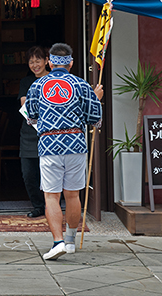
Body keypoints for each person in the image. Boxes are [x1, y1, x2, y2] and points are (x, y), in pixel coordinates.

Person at [25, 43, 103, 260]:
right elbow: (94, 118)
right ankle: (69, 240)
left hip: (49, 145)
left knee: (51, 195)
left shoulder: (38, 85)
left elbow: (31, 116)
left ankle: (57, 241)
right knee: (73, 194)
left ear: (49, 62)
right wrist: (95, 98)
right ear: (70, 62)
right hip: (76, 144)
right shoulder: (82, 85)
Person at [18, 46, 48, 218]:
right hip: (29, 133)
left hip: (49, 133)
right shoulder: (26, 82)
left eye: (38, 60)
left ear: (46, 61)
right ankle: (38, 206)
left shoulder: (53, 80)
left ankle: (52, 206)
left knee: (49, 173)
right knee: (29, 174)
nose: (35, 65)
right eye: (31, 61)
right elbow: (24, 104)